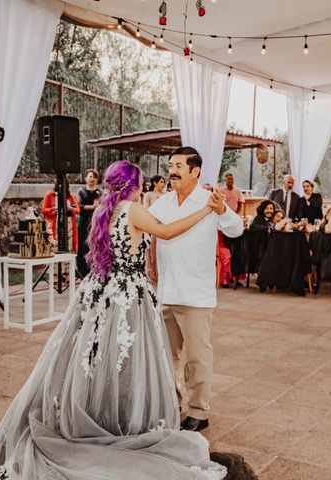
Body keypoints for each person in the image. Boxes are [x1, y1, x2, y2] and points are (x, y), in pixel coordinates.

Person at [0, 160, 227, 479]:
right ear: (133, 184)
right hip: (128, 294)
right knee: (126, 358)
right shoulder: (133, 210)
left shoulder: (108, 211)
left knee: (97, 357)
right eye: (143, 182)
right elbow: (167, 231)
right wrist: (208, 211)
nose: (146, 186)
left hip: (101, 290)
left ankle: (97, 412)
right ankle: (122, 419)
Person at [149, 146, 243, 432]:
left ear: (195, 170)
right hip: (166, 290)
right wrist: (151, 262)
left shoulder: (210, 200)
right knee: (167, 355)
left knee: (197, 357)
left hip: (196, 295)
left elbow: (236, 229)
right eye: (170, 165)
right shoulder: (163, 201)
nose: (172, 171)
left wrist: (223, 209)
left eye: (178, 165)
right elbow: (150, 230)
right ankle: (173, 403)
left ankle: (199, 412)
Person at [41, 178, 81, 253]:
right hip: (55, 226)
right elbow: (43, 210)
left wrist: (71, 209)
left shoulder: (70, 195)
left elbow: (78, 210)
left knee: (69, 247)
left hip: (69, 226)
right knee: (54, 247)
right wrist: (54, 209)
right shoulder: (49, 195)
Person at [76, 169, 101, 276]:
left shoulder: (100, 192)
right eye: (90, 177)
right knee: (82, 244)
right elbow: (78, 206)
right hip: (83, 220)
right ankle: (82, 270)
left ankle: (94, 268)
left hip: (95, 221)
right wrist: (92, 207)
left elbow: (104, 206)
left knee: (94, 244)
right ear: (86, 178)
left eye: (94, 177)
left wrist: (99, 205)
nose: (92, 179)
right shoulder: (81, 191)